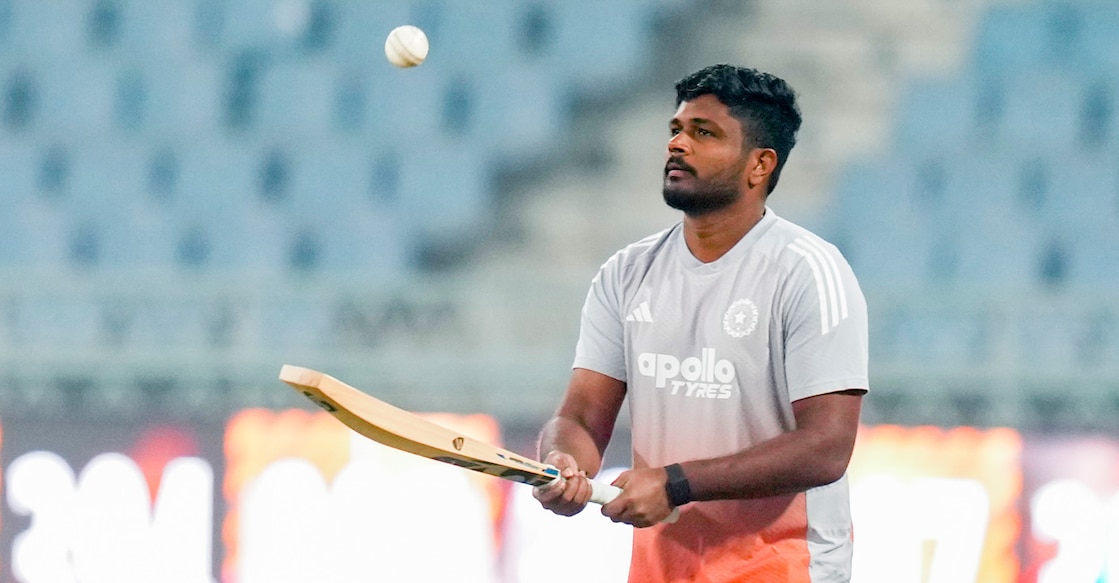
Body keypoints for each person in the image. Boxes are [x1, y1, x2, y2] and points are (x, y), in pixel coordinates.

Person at [532, 64, 869, 582]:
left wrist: (675, 484)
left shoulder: (809, 271)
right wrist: (565, 465)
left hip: (784, 566)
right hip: (662, 567)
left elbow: (826, 447)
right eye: (676, 130)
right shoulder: (626, 272)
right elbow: (580, 417)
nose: (677, 145)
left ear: (760, 166)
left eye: (703, 133)